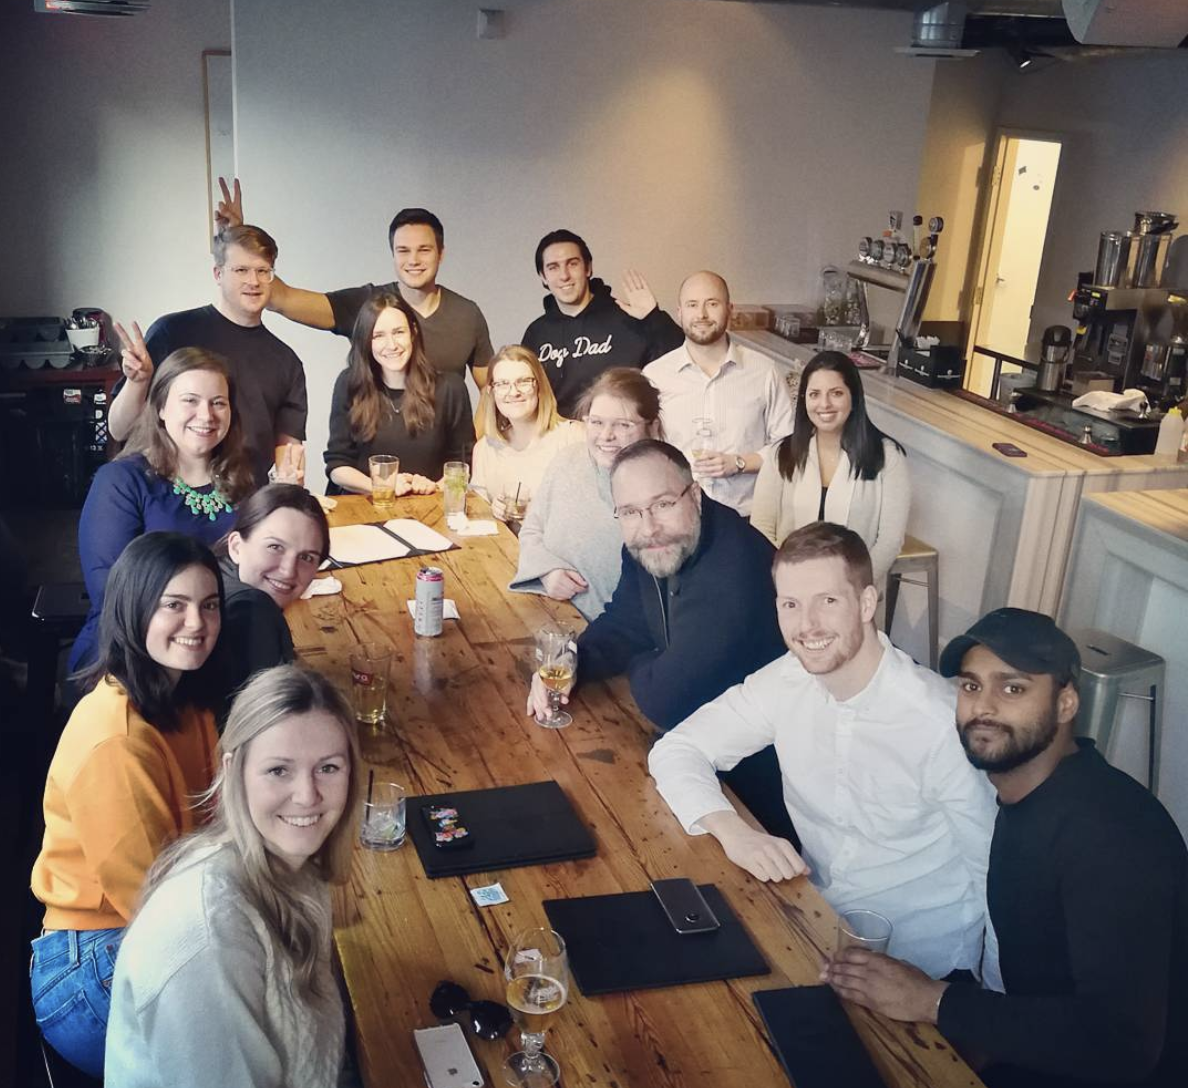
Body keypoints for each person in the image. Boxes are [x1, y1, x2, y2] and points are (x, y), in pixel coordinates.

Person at [822, 608, 1188, 1088]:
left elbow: (1122, 1046)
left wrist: (935, 1002)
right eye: (971, 686)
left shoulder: (1111, 837)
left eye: (1013, 688)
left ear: (1065, 704)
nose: (984, 706)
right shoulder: (1028, 798)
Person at [647, 521, 996, 979]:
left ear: (867, 603)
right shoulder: (786, 681)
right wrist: (734, 831)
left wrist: (982, 1014)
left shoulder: (938, 721)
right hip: (816, 922)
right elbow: (677, 749)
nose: (806, 625)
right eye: (791, 605)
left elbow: (996, 874)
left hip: (922, 961)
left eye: (827, 602)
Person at [105, 664, 362, 1087]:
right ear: (233, 771)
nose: (307, 795)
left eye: (328, 768)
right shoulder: (207, 938)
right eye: (279, 770)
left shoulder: (297, 870)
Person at [529, 439, 797, 841]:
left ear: (696, 495)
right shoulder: (653, 545)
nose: (649, 527)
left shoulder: (733, 572)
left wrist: (649, 655)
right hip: (693, 759)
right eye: (631, 512)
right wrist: (571, 660)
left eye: (664, 504)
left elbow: (666, 699)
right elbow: (625, 620)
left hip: (761, 796)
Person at [30, 533, 223, 1078]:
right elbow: (155, 903)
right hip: (90, 961)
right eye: (174, 605)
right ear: (134, 610)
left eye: (209, 606)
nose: (196, 623)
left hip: (151, 924)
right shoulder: (115, 737)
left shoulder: (187, 702)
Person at [69, 349, 254, 672]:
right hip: (131, 649)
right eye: (190, 400)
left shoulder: (244, 479)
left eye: (218, 402)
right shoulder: (121, 481)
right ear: (161, 409)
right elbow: (109, 591)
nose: (206, 415)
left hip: (219, 636)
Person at [216, 180, 493, 385]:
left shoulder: (467, 314)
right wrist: (237, 236)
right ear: (393, 254)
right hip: (375, 458)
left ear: (440, 254)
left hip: (447, 458)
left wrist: (476, 448)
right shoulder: (367, 303)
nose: (414, 260)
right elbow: (281, 298)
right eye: (403, 251)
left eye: (424, 250)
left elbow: (492, 393)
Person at [108, 224, 308, 486]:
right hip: (168, 495)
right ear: (218, 274)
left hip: (246, 499)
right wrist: (138, 382)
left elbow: (288, 454)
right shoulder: (173, 331)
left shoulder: (286, 361)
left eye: (263, 271)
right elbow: (118, 429)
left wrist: (287, 496)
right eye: (241, 270)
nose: (253, 281)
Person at [510, 368, 661, 621]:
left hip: (619, 639)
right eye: (597, 422)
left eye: (623, 425)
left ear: (652, 427)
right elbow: (533, 529)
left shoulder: (667, 489)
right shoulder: (567, 460)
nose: (606, 436)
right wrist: (547, 572)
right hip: (548, 615)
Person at [751, 350, 909, 586]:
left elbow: (889, 541)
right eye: (814, 394)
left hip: (854, 591)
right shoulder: (780, 454)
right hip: (788, 588)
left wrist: (851, 586)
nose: (824, 404)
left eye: (836, 393)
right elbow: (761, 528)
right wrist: (788, 581)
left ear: (853, 397)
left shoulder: (887, 457)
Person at [643, 271, 794, 516]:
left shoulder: (764, 371)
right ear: (679, 313)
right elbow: (645, 449)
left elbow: (788, 448)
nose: (702, 314)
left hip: (746, 515)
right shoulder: (655, 376)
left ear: (729, 309)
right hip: (676, 515)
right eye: (693, 305)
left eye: (712, 304)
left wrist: (739, 463)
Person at [324, 291, 475, 494]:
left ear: (412, 332)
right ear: (366, 341)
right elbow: (337, 466)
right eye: (378, 336)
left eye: (398, 332)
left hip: (427, 509)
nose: (392, 345)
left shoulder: (451, 389)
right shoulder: (349, 384)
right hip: (364, 507)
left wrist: (435, 488)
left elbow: (463, 465)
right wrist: (382, 487)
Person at [522, 228, 683, 417]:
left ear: (588, 268)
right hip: (560, 440)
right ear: (543, 276)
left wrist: (653, 316)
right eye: (553, 267)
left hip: (623, 438)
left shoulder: (628, 318)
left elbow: (682, 360)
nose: (564, 275)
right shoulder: (537, 333)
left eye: (572, 264)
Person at [208, 484, 331, 722]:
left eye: (306, 557)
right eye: (275, 547)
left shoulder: (216, 576)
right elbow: (271, 725)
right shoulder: (252, 610)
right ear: (236, 546)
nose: (288, 571)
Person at [471, 344, 583, 522]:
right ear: (492, 392)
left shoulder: (574, 438)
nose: (513, 392)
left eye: (523, 381)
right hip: (505, 549)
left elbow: (595, 511)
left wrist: (541, 512)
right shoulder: (485, 449)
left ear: (539, 386)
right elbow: (477, 519)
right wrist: (493, 511)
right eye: (502, 384)